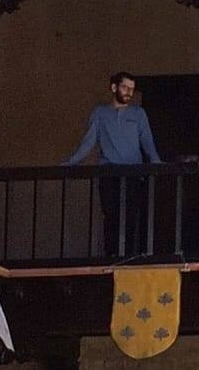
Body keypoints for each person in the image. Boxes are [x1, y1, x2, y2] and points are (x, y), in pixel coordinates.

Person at [63, 71, 162, 257]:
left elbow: (147, 142)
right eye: (125, 87)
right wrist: (70, 163)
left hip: (133, 173)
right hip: (109, 173)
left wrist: (156, 163)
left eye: (132, 89)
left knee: (131, 216)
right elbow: (88, 142)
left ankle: (131, 256)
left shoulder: (138, 114)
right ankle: (112, 256)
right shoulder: (100, 113)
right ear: (114, 87)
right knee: (111, 216)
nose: (129, 93)